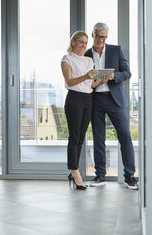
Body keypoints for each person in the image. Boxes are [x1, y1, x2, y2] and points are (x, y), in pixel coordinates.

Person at [85, 22, 138, 190]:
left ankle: (129, 176)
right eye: (98, 36)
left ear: (107, 37)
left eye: (104, 36)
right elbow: (84, 78)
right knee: (98, 138)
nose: (101, 39)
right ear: (92, 35)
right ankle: (100, 175)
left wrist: (113, 76)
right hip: (95, 100)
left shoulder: (116, 50)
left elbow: (128, 73)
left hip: (115, 99)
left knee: (125, 136)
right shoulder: (86, 55)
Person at [61, 31, 100, 190]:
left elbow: (90, 85)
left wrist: (100, 80)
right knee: (74, 137)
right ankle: (75, 171)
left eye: (86, 42)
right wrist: (86, 76)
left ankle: (73, 169)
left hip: (88, 99)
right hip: (74, 99)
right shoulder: (67, 59)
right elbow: (70, 82)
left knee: (81, 138)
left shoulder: (89, 60)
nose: (84, 45)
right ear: (73, 42)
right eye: (81, 42)